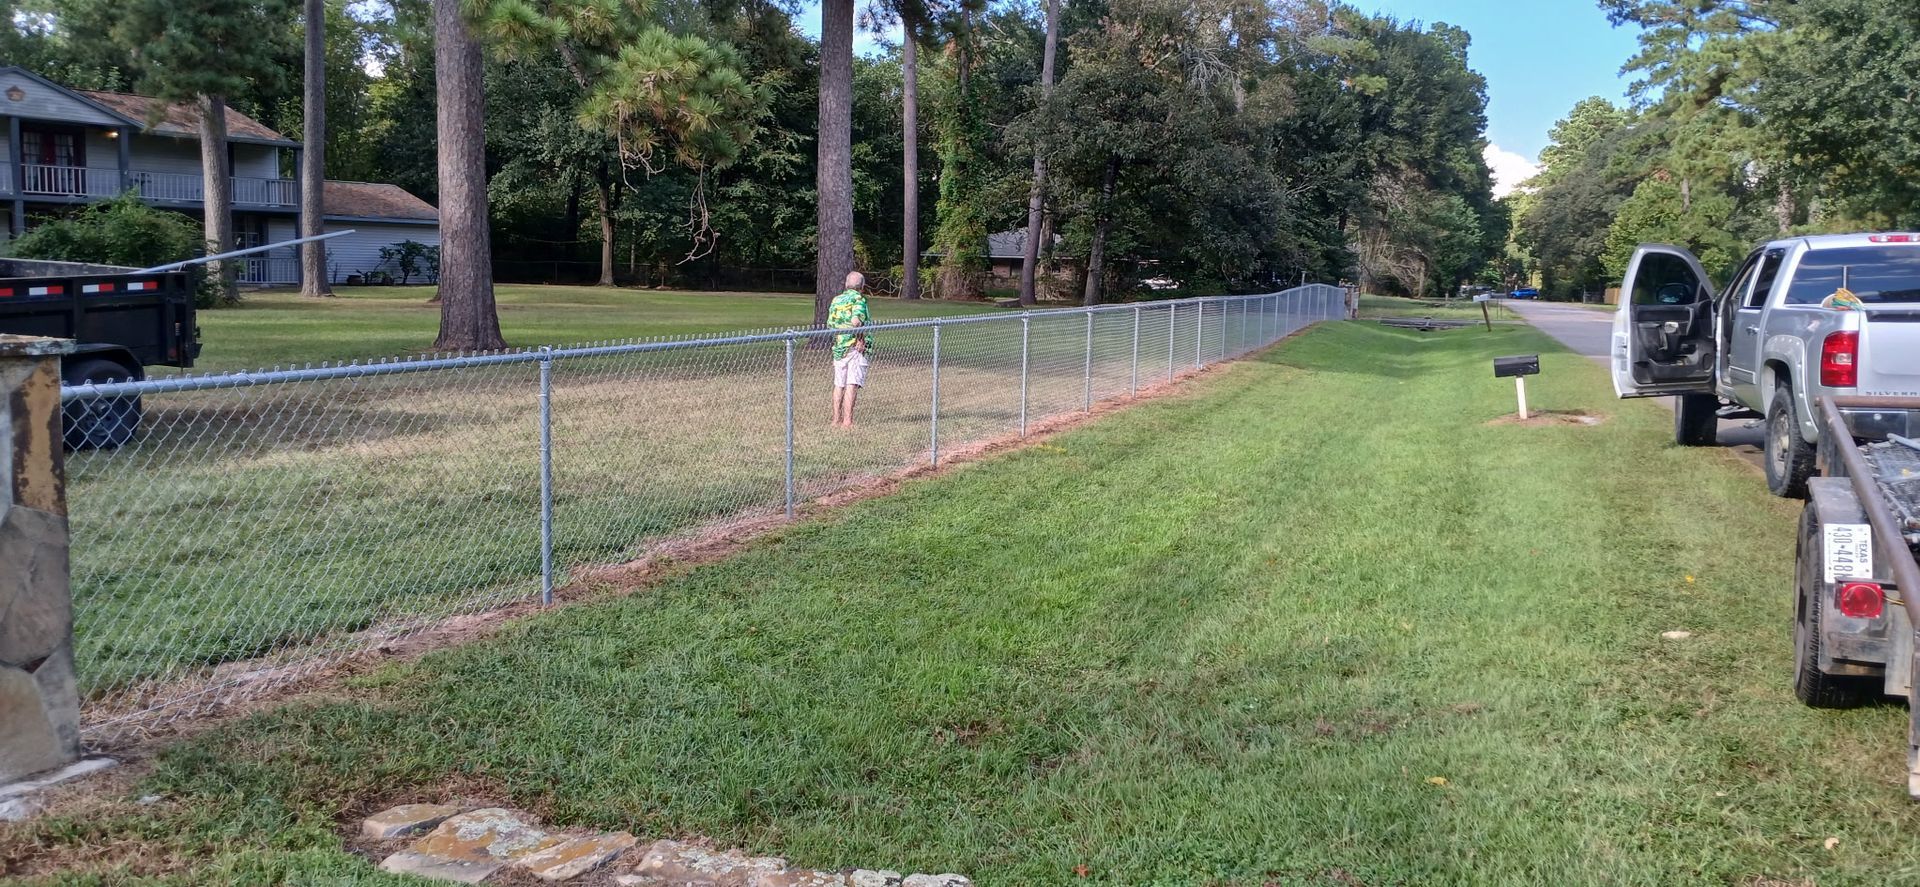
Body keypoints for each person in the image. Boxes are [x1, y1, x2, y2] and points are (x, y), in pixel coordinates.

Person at [828, 271, 871, 428]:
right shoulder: (858, 299)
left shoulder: (836, 300)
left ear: (846, 285)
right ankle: (847, 421)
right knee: (852, 383)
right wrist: (860, 337)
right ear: (862, 286)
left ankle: (835, 420)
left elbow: (831, 323)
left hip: (839, 346)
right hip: (855, 347)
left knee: (839, 383)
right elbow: (856, 321)